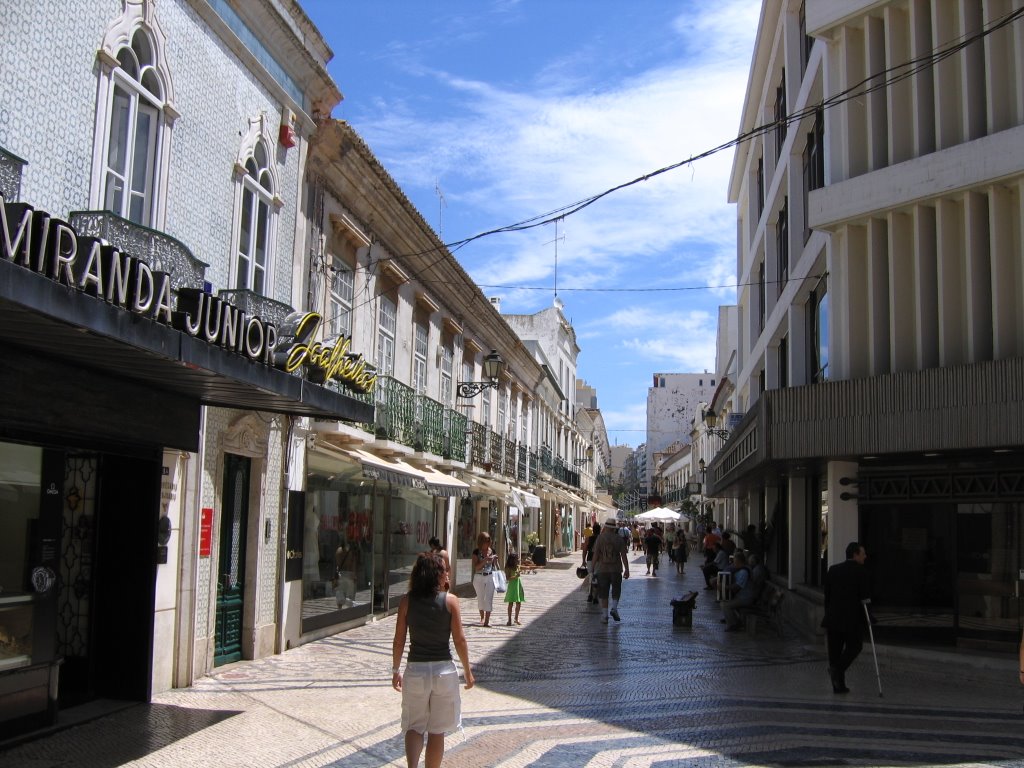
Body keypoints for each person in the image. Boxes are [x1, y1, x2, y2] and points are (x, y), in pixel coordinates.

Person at [391, 553, 474, 768]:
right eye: (445, 570)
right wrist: (467, 671)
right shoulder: (451, 601)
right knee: (437, 731)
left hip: (415, 671)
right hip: (443, 672)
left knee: (414, 726)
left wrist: (395, 669)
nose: (448, 573)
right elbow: (460, 640)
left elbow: (399, 640)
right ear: (437, 575)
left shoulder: (407, 602)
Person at [823, 542, 871, 694]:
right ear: (855, 554)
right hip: (851, 619)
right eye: (863, 553)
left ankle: (838, 685)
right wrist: (868, 615)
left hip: (833, 618)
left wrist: (828, 612)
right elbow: (865, 597)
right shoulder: (861, 572)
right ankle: (837, 671)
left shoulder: (833, 570)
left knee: (835, 652)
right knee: (855, 646)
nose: (865, 556)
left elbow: (827, 595)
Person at [592, 516, 630, 623]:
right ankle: (614, 608)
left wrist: (592, 569)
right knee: (616, 590)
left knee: (603, 592)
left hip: (602, 569)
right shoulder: (619, 539)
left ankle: (604, 616)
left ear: (606, 527)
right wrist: (627, 569)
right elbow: (623, 555)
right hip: (616, 569)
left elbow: (595, 555)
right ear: (614, 528)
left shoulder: (600, 538)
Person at [721, 551, 755, 631]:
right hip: (741, 596)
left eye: (734, 561)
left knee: (725, 605)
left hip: (745, 598)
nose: (733, 563)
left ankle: (733, 624)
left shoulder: (744, 572)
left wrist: (724, 587)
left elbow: (737, 587)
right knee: (724, 600)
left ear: (738, 561)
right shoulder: (740, 569)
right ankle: (732, 620)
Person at [471, 532, 498, 627]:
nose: (488, 543)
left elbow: (495, 566)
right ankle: (482, 617)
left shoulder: (492, 551)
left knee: (489, 599)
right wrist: (485, 560)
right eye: (486, 541)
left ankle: (486, 621)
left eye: (489, 540)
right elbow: (476, 567)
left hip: (490, 576)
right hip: (479, 577)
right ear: (481, 541)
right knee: (481, 599)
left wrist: (495, 560)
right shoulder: (476, 552)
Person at [503, 553, 525, 625]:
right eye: (516, 559)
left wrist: (521, 588)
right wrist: (515, 576)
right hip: (512, 586)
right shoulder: (508, 568)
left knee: (519, 603)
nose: (518, 560)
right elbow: (507, 578)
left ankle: (516, 618)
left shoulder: (517, 566)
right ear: (512, 560)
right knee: (511, 603)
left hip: (518, 585)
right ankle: (509, 619)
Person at [582, 522, 600, 604]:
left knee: (591, 576)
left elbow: (585, 550)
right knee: (597, 577)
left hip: (590, 559)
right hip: (599, 560)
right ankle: (596, 596)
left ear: (593, 530)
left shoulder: (588, 539)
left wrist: (583, 560)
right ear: (599, 530)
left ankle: (590, 594)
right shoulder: (601, 539)